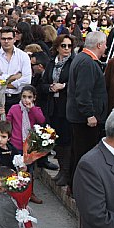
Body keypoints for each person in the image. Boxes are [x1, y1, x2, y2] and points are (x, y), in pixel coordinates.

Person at [67, 31, 108, 192]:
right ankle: (79, 189)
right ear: (99, 45)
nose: (106, 47)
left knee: (77, 153)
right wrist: (90, 114)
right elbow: (83, 92)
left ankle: (74, 186)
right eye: (104, 44)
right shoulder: (87, 63)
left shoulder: (82, 59)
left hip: (79, 117)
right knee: (83, 155)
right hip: (84, 119)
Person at [40, 34, 75, 186]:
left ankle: (66, 172)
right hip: (53, 106)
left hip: (66, 106)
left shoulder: (73, 63)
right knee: (57, 140)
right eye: (64, 46)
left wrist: (64, 86)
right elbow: (42, 83)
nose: (66, 49)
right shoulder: (51, 63)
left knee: (66, 140)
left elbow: (75, 83)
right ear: (57, 47)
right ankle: (62, 170)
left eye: (69, 46)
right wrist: (50, 87)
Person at [6, 85, 45, 204]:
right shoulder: (14, 108)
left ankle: (29, 193)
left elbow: (41, 120)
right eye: (24, 97)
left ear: (34, 98)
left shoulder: (35, 110)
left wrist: (32, 109)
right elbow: (8, 122)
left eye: (29, 97)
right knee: (15, 168)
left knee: (29, 170)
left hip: (29, 145)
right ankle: (15, 191)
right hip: (16, 143)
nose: (26, 100)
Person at [0, 27, 32, 114]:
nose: (6, 41)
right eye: (3, 39)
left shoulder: (23, 56)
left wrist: (3, 81)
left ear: (14, 39)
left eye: (9, 38)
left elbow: (27, 80)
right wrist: (14, 77)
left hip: (18, 97)